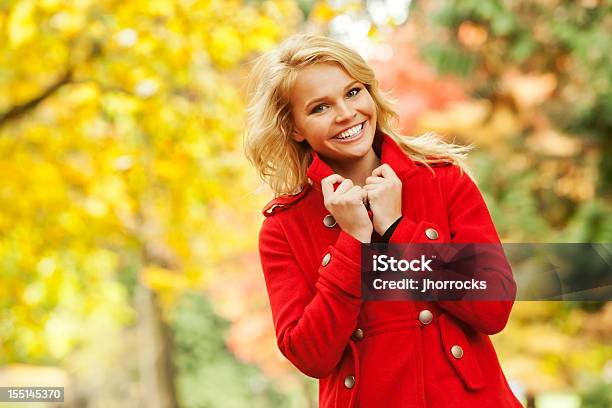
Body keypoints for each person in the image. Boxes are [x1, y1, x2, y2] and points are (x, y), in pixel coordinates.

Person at [244, 33, 522, 407]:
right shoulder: (284, 227)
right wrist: (353, 241)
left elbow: (493, 308)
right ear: (295, 128)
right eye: (319, 108)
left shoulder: (442, 180)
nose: (346, 113)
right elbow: (311, 355)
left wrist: (397, 229)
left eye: (353, 92)